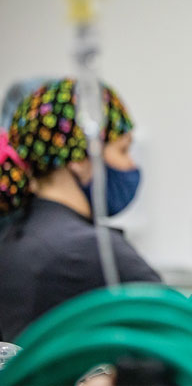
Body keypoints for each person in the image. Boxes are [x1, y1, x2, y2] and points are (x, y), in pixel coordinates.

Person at [0, 78, 161, 342]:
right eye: (123, 149)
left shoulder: (12, 238)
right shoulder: (89, 249)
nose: (131, 163)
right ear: (78, 159)